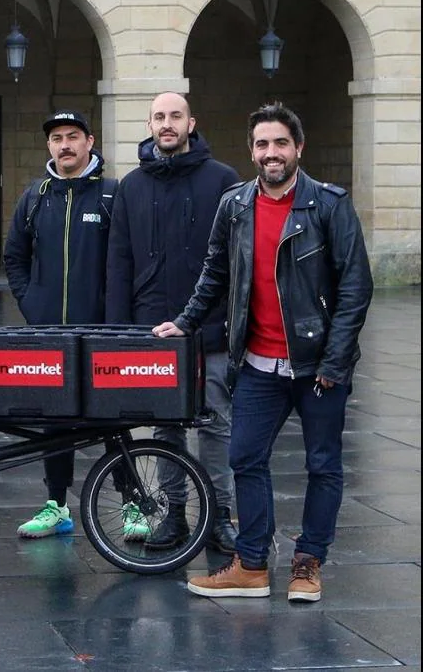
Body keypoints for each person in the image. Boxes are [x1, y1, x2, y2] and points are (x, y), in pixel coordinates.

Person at [155, 102, 373, 604]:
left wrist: (335, 364)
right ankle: (251, 565)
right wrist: (185, 322)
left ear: (298, 148)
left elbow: (355, 289)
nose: (270, 153)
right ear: (251, 151)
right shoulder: (236, 205)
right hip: (256, 364)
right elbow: (214, 273)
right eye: (261, 144)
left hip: (317, 367)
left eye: (279, 143)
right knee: (245, 457)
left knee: (323, 465)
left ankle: (307, 563)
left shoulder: (329, 205)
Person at [106, 92, 241, 554]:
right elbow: (119, 261)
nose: (167, 124)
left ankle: (222, 517)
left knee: (216, 425)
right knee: (165, 429)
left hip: (212, 328)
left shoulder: (223, 180)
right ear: (149, 124)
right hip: (152, 330)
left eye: (176, 116)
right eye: (160, 117)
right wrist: (119, 330)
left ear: (191, 122)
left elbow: (236, 260)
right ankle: (174, 519)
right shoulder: (132, 186)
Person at [2, 110, 138, 541]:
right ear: (49, 146)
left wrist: (115, 317)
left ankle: (133, 503)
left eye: (73, 136)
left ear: (89, 142)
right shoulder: (35, 197)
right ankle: (56, 506)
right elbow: (14, 257)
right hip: (50, 332)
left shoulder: (113, 195)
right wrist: (32, 304)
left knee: (113, 420)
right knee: (54, 420)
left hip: (100, 332)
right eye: (57, 138)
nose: (65, 144)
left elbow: (128, 262)